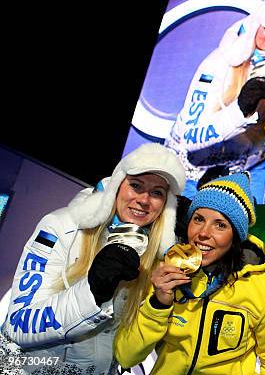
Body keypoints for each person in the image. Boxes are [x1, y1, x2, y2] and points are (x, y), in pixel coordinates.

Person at [1, 143, 186, 374]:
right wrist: (92, 291)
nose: (144, 200)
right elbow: (17, 325)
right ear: (117, 186)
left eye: (157, 192)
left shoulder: (157, 257)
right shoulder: (62, 226)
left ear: (165, 207)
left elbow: (127, 351)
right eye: (136, 185)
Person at [114, 172, 265, 374]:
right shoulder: (163, 273)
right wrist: (158, 303)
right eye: (198, 219)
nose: (204, 233)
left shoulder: (263, 287)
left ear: (236, 236)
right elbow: (126, 356)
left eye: (220, 225)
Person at [165, 0, 265, 203]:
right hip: (193, 170)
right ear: (255, 27)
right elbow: (190, 139)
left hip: (249, 170)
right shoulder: (218, 63)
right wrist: (241, 109)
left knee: (250, 234)